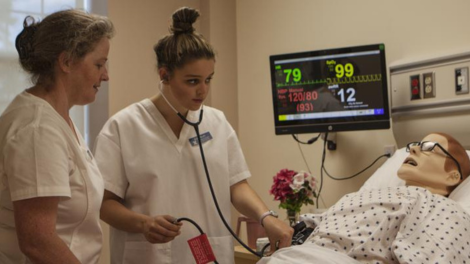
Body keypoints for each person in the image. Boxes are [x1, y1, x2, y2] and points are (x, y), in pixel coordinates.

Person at [93, 6, 293, 264]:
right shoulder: (123, 127)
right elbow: (104, 204)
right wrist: (143, 223)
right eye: (192, 81)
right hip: (149, 256)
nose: (203, 90)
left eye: (208, 79)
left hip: (208, 253)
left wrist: (266, 217)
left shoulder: (216, 122)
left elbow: (237, 185)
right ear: (164, 75)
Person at [0, 9, 114, 264]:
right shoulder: (37, 129)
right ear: (66, 62)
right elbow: (37, 242)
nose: (105, 75)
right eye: (99, 64)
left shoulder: (58, 118)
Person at [258, 132, 470, 264]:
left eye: (429, 148)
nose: (414, 148)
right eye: (416, 143)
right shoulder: (368, 196)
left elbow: (440, 256)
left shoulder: (442, 208)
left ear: (453, 175)